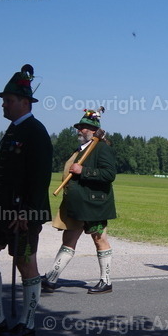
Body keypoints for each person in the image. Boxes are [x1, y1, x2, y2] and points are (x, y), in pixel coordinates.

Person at [0, 65, 52, 336]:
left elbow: (38, 179)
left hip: (22, 213)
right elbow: (11, 177)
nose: (3, 104)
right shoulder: (11, 132)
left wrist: (28, 211)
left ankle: (27, 323)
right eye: (4, 100)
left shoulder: (35, 132)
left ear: (25, 103)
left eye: (9, 100)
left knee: (25, 263)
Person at [42, 108, 118, 294]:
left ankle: (105, 281)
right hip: (75, 204)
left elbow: (109, 174)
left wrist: (83, 171)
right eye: (79, 127)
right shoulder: (80, 150)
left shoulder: (101, 148)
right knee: (68, 239)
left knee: (99, 240)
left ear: (93, 131)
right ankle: (52, 278)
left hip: (94, 205)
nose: (79, 130)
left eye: (84, 128)